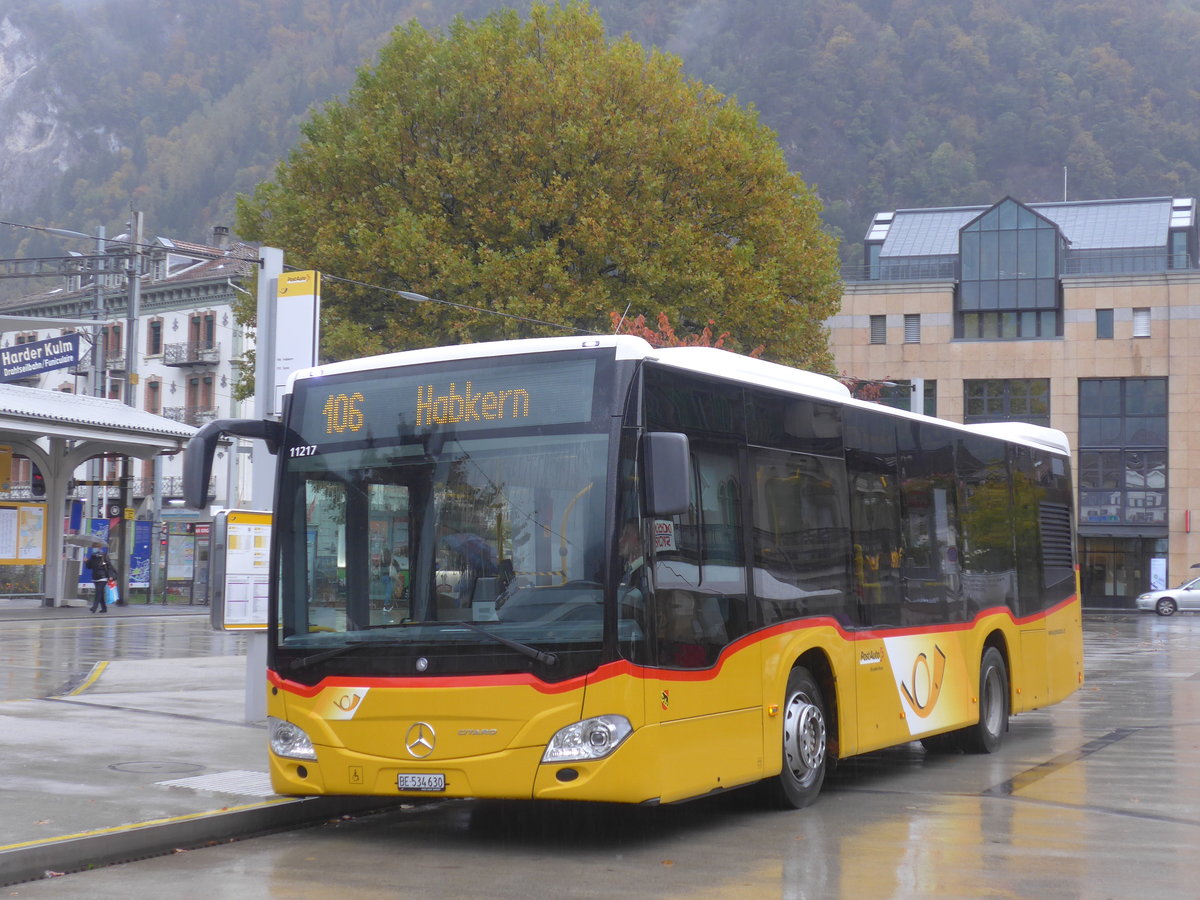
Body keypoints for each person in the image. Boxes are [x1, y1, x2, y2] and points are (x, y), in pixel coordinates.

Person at [86, 546, 116, 614]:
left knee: (98, 592)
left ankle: (94, 607)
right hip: (95, 577)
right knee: (100, 593)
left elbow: (109, 566)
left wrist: (110, 576)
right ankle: (104, 608)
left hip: (103, 577)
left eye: (97, 547)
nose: (96, 549)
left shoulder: (104, 556)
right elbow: (89, 567)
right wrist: (87, 561)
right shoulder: (93, 557)